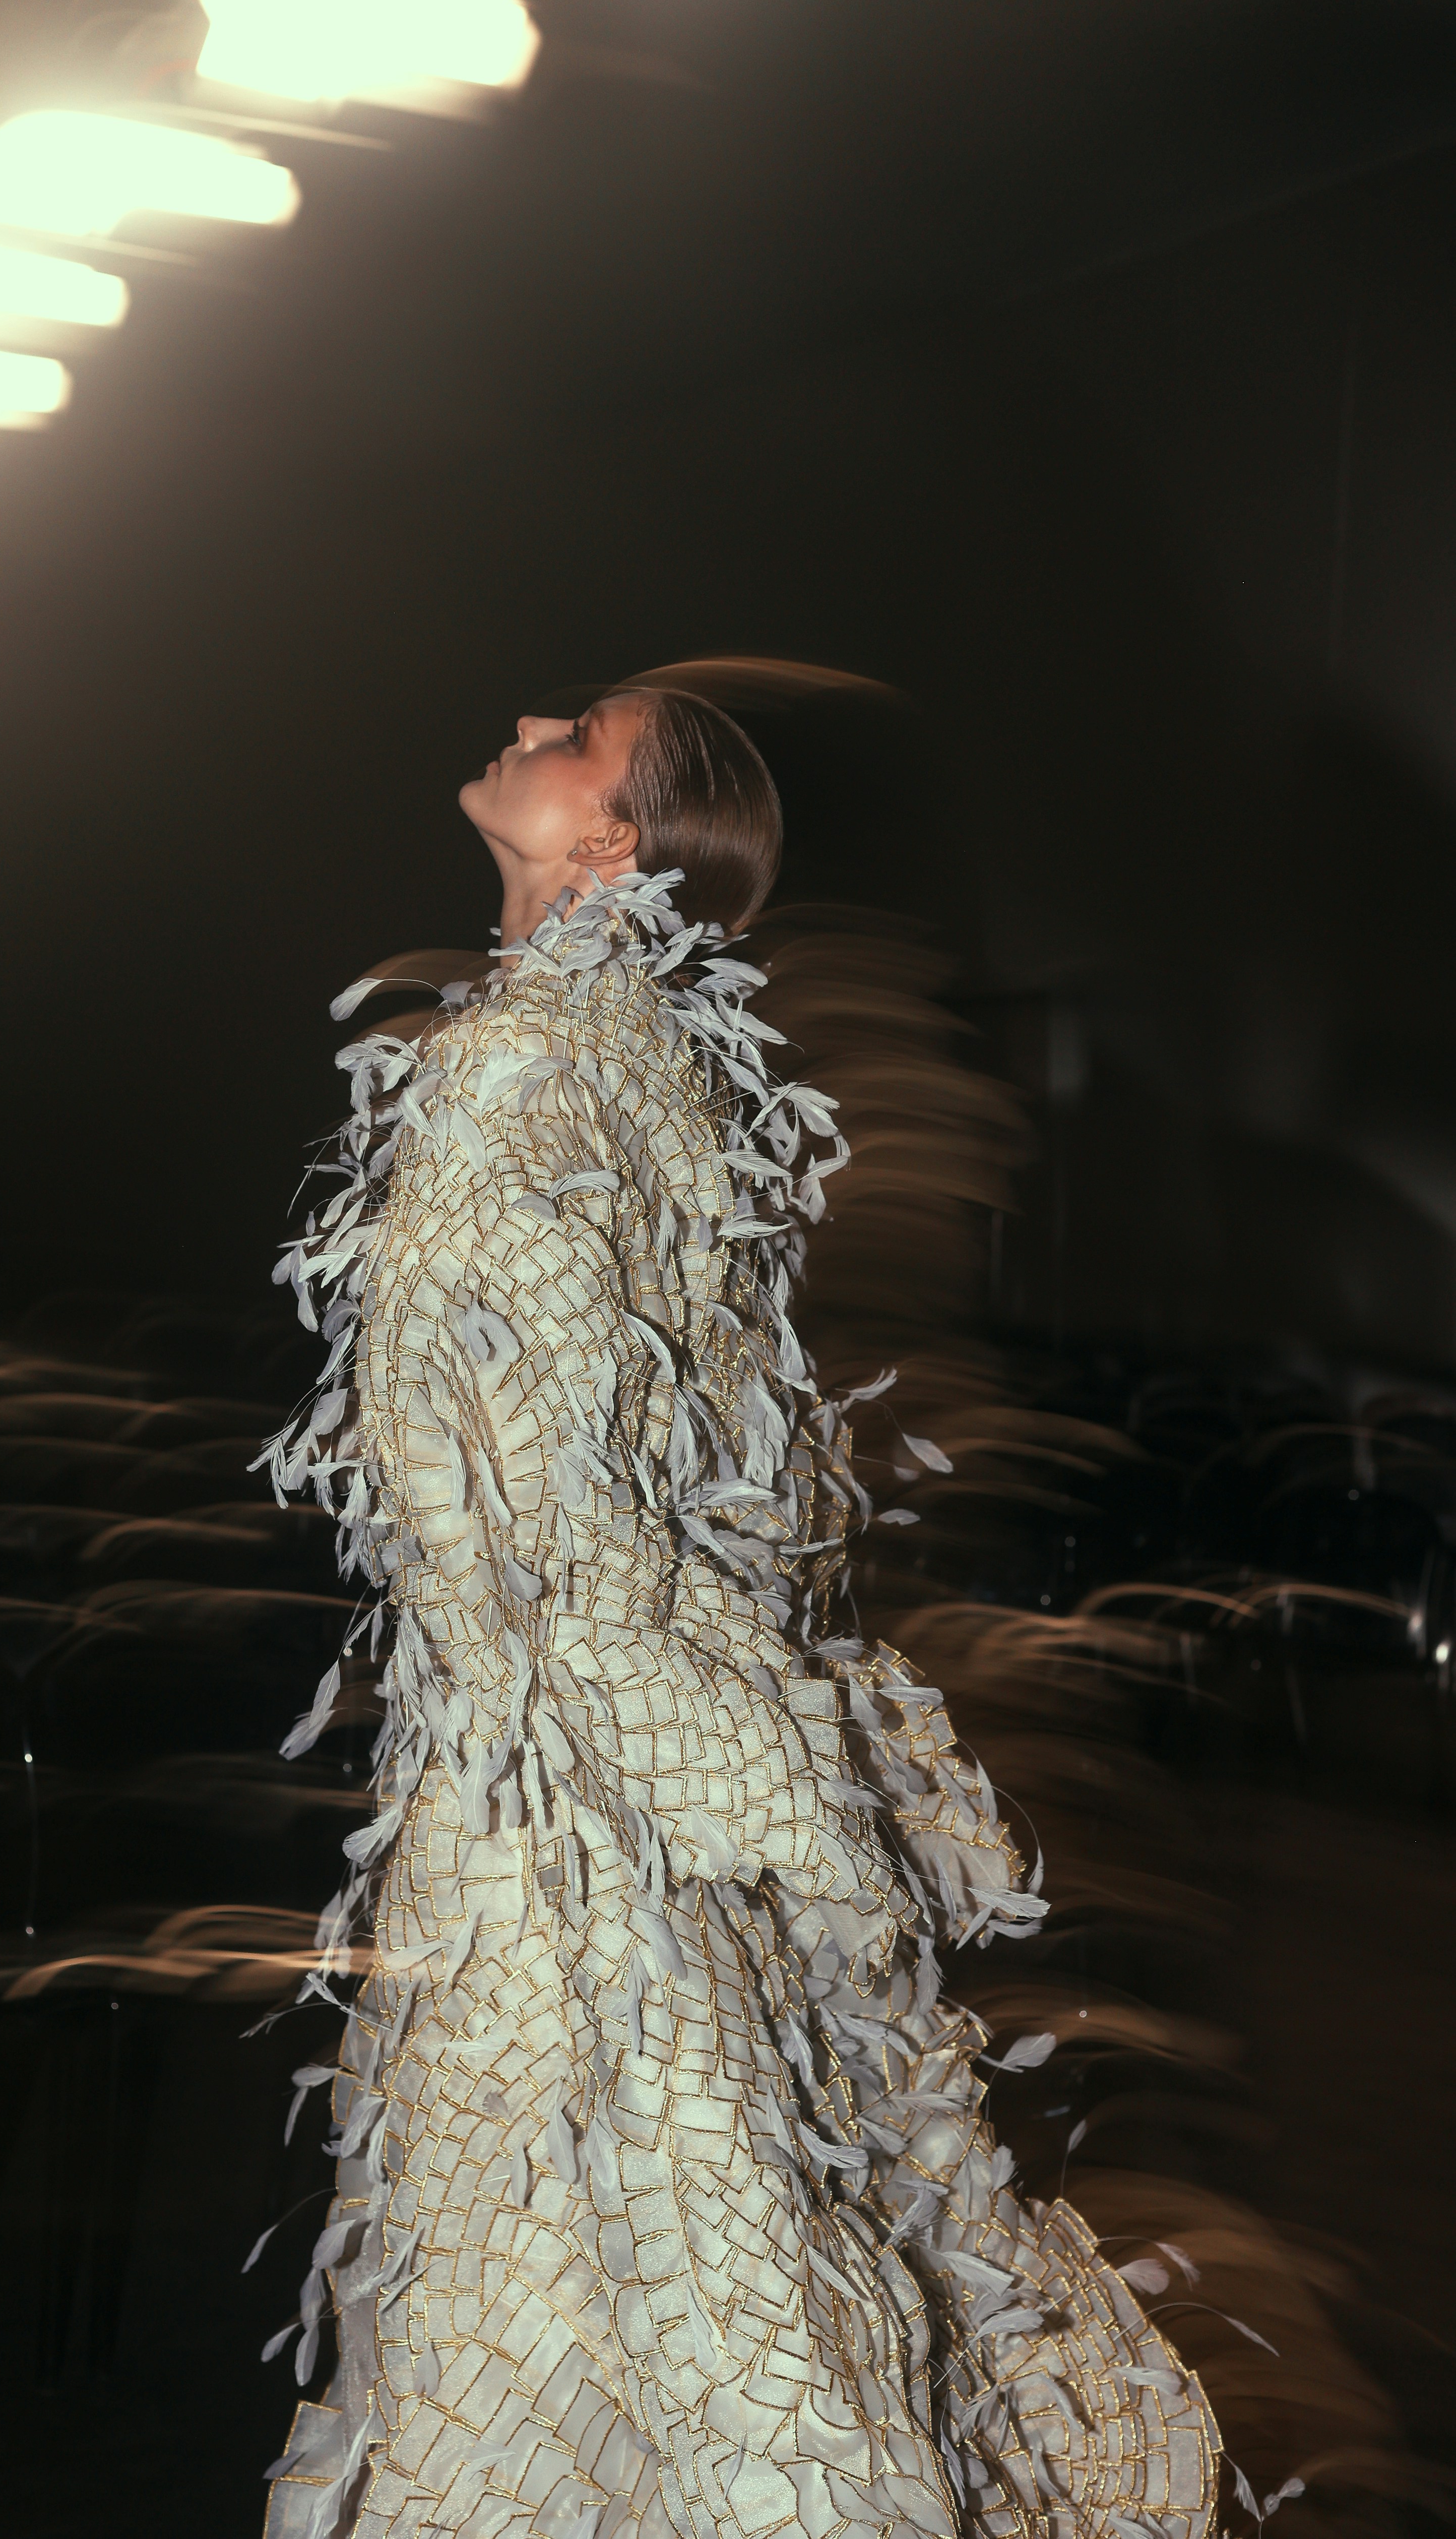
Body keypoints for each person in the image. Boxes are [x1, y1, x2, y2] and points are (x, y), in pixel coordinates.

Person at [256, 689, 1220, 2539]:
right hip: (593, 1771)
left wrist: (721, 1778)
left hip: (567, 1810)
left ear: (607, 840)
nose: (532, 719)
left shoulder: (527, 1068)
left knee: (613, 2321)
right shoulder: (634, 1061)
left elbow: (557, 1519)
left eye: (580, 733)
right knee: (624, 2316)